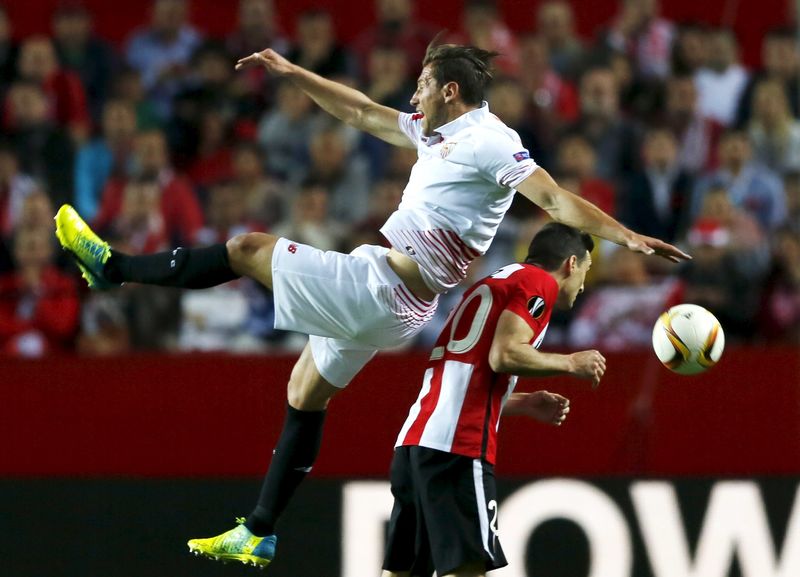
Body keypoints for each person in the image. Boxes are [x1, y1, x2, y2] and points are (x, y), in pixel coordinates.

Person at [54, 41, 688, 569]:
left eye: (421, 84)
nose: (411, 95)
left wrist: (627, 236)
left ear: (449, 91)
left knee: (247, 248)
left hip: (383, 292)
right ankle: (259, 529)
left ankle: (112, 269)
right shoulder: (436, 134)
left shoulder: (492, 141)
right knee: (305, 391)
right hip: (383, 287)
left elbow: (553, 201)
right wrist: (294, 72)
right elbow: (360, 113)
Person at [382, 223, 603, 577]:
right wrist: (569, 362)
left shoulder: (498, 280)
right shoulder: (539, 283)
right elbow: (504, 354)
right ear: (571, 264)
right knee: (467, 566)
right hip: (457, 446)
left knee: (405, 569)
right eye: (586, 271)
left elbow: (468, 372)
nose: (582, 284)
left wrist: (522, 402)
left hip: (415, 442)